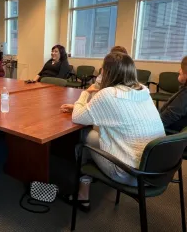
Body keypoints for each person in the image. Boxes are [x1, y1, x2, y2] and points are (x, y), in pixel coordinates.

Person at [60, 52, 165, 212]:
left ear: (107, 72)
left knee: (84, 137)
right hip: (156, 168)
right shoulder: (143, 90)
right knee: (97, 134)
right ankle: (87, 184)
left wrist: (85, 92)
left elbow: (77, 117)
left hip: (130, 173)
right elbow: (120, 113)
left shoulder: (108, 94)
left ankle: (82, 196)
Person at [160, 56, 187, 133]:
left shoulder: (184, 96)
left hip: (169, 133)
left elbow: (165, 119)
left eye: (182, 69)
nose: (179, 71)